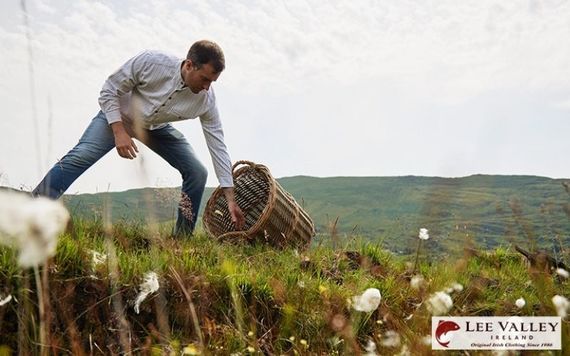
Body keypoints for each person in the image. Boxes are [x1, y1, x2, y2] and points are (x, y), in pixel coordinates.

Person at [33, 40, 245, 236]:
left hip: (156, 127)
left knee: (197, 172)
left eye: (213, 81)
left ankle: (181, 239)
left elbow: (217, 145)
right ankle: (33, 210)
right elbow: (109, 90)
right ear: (189, 65)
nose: (207, 87)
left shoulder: (206, 101)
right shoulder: (151, 62)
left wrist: (230, 199)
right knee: (82, 155)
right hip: (119, 115)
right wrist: (119, 132)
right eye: (205, 79)